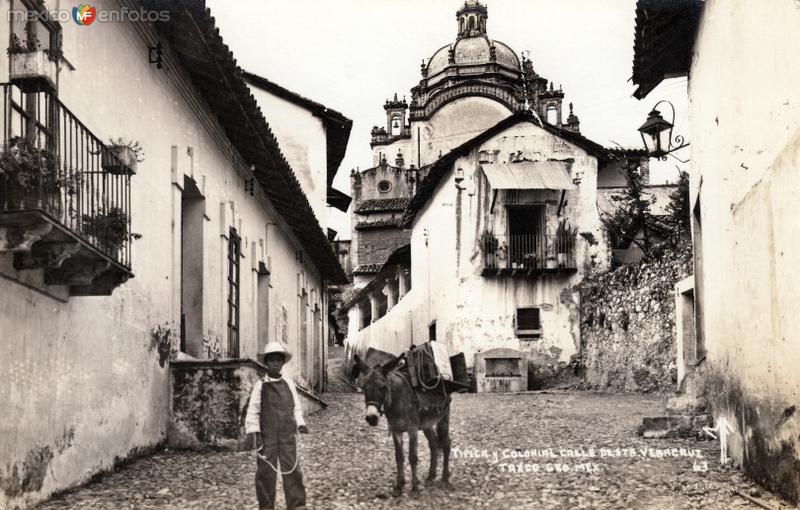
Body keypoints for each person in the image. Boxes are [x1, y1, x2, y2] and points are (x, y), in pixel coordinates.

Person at [245, 341, 309, 510]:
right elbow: (253, 410)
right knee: (265, 472)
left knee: (292, 468)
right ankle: (266, 505)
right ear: (266, 363)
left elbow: (295, 407)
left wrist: (300, 423)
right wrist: (255, 433)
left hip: (287, 434)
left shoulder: (289, 384)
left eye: (278, 360)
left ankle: (297, 504)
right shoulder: (260, 386)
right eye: (271, 360)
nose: (275, 364)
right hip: (268, 437)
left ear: (282, 363)